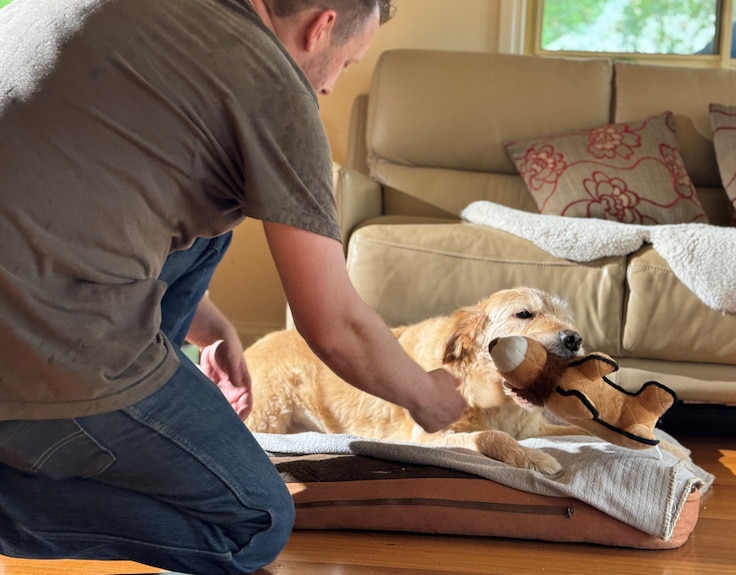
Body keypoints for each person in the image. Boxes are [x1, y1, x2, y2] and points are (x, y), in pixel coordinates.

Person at [0, 0, 468, 574]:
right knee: (253, 522)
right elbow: (335, 325)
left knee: (216, 215)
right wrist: (429, 397)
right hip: (35, 354)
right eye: (346, 63)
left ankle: (111, 423)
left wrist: (208, 321)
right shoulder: (272, 85)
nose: (330, 87)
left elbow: (72, 190)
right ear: (321, 26)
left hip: (23, 292)